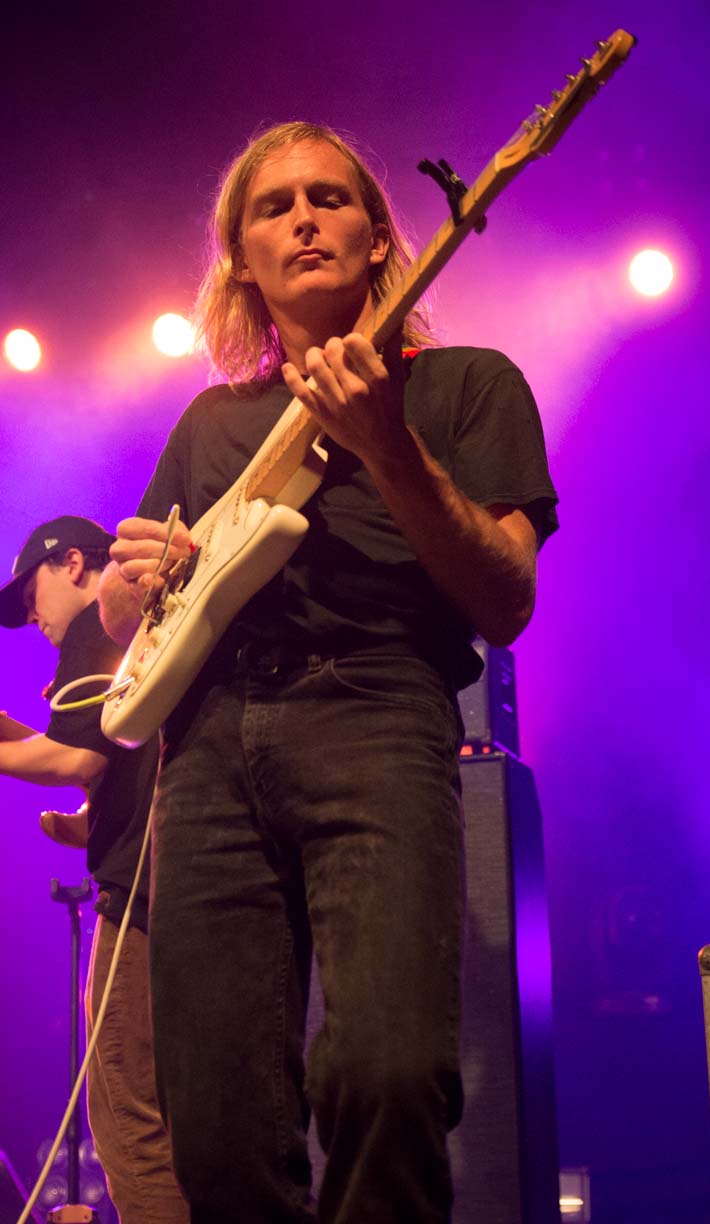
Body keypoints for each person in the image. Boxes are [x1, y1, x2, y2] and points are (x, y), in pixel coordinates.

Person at [99, 121, 559, 1224]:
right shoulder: (211, 420)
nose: (304, 219)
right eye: (275, 207)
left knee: (387, 1076)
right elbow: (132, 617)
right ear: (242, 261)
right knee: (216, 1119)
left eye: (329, 198)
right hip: (209, 746)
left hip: (377, 709)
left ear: (379, 237)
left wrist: (387, 444)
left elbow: (506, 600)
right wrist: (130, 581)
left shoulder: (469, 383)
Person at [0, 516, 188, 1224]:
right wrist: (91, 818)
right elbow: (115, 760)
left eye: (32, 597)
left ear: (76, 565)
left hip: (140, 904)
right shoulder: (141, 634)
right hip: (182, 886)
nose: (32, 618)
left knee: (128, 1120)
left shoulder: (96, 625)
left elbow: (77, 757)